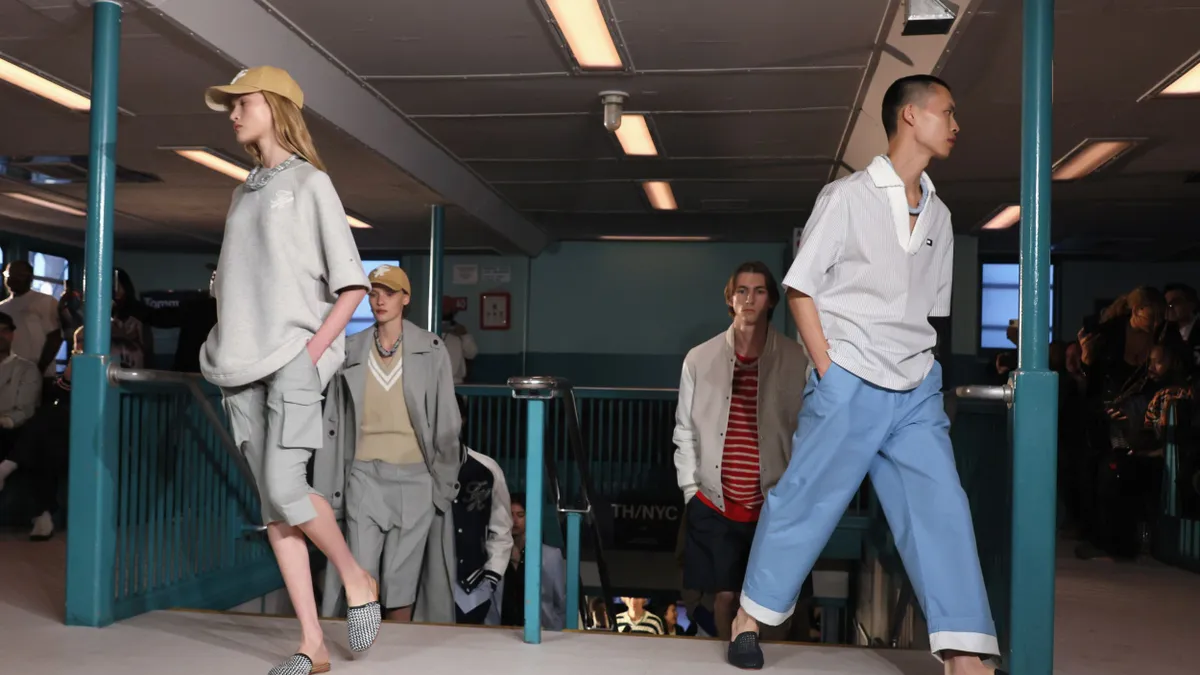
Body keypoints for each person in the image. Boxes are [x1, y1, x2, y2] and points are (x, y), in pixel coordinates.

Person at [726, 75, 996, 674]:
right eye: (947, 112)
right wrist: (831, 367)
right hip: (850, 378)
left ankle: (963, 652)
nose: (956, 125)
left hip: (916, 388)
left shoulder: (942, 216)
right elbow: (799, 287)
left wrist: (923, 373)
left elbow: (930, 310)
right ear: (910, 117)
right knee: (806, 500)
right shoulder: (846, 197)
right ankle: (750, 620)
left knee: (943, 507)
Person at [199, 65, 380, 675]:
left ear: (275, 107)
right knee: (277, 509)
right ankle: (312, 645)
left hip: (292, 361)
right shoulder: (240, 189)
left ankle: (357, 578)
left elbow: (352, 285)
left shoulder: (311, 184)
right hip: (237, 363)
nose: (232, 114)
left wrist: (311, 353)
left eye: (241, 102)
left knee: (286, 486)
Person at [314, 264, 463, 623]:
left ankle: (394, 661)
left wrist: (441, 486)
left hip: (416, 480)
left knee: (402, 585)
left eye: (390, 293)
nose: (380, 300)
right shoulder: (351, 349)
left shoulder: (431, 349)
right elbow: (333, 421)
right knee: (359, 579)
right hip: (363, 475)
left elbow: (447, 420)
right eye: (374, 292)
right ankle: (363, 656)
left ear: (406, 299)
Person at [673, 261, 808, 641]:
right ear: (730, 300)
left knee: (770, 601)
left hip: (772, 502)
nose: (749, 299)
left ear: (771, 301)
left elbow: (807, 432)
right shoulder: (699, 359)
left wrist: (795, 493)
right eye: (742, 291)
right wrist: (690, 491)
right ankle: (725, 658)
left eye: (759, 291)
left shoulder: (796, 359)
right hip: (714, 500)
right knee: (724, 597)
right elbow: (684, 430)